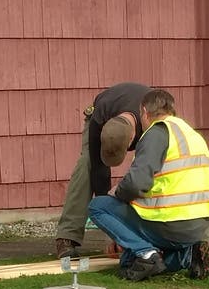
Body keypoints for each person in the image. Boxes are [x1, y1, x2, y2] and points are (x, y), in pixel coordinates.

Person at [87, 88, 209, 281]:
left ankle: (147, 253)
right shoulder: (190, 134)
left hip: (170, 221)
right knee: (126, 263)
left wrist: (117, 193)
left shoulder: (156, 133)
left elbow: (136, 184)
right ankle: (188, 255)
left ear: (144, 112)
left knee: (98, 207)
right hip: (198, 225)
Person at [54, 80, 155, 258]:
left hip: (147, 120)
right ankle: (67, 237)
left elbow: (138, 181)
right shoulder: (99, 119)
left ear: (133, 138)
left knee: (155, 171)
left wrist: (123, 234)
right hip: (101, 114)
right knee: (86, 165)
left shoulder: (151, 126)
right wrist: (109, 224)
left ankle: (199, 240)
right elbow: (99, 172)